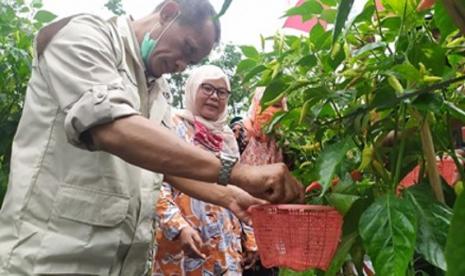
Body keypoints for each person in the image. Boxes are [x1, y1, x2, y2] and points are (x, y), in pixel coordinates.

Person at [0, 0, 304, 275]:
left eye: (191, 62)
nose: (181, 65)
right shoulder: (86, 37)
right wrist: (237, 172)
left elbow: (165, 166)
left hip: (117, 263)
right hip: (49, 258)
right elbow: (115, 129)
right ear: (168, 13)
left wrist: (230, 196)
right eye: (186, 48)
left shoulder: (157, 89)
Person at [153, 65, 258, 275]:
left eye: (221, 92)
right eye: (207, 88)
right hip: (185, 243)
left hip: (225, 245)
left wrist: (250, 236)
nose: (214, 96)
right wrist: (178, 226)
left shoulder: (228, 137)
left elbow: (240, 190)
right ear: (192, 89)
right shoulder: (171, 126)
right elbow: (156, 182)